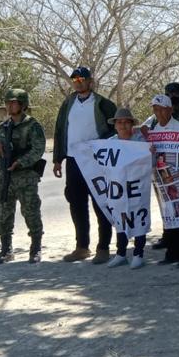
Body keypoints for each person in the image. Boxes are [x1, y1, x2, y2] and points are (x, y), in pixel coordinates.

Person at [53, 66, 117, 264]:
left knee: (101, 203)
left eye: (82, 79)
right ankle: (82, 247)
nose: (78, 82)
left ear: (90, 81)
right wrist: (58, 158)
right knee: (77, 204)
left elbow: (116, 130)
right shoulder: (68, 103)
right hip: (73, 160)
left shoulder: (103, 104)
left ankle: (103, 247)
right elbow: (60, 129)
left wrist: (100, 147)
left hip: (96, 161)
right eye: (75, 79)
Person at [0, 89, 46, 265]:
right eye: (8, 103)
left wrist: (20, 162)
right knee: (2, 212)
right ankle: (6, 249)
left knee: (31, 211)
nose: (10, 106)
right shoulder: (1, 127)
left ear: (23, 104)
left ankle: (35, 248)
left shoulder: (32, 126)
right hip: (4, 176)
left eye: (14, 102)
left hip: (25, 177)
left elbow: (38, 149)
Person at [142, 94, 179, 268]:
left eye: (161, 109)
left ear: (170, 109)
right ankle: (173, 252)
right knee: (170, 216)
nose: (158, 112)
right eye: (155, 109)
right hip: (164, 180)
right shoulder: (155, 130)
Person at [104, 107, 151, 270]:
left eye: (126, 122)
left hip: (136, 188)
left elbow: (148, 162)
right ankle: (121, 253)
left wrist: (151, 153)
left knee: (138, 216)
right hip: (118, 190)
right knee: (120, 218)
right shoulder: (109, 144)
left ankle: (138, 254)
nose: (123, 125)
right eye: (119, 122)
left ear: (132, 124)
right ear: (115, 125)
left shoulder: (140, 142)